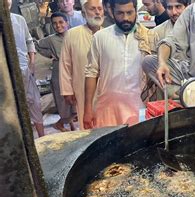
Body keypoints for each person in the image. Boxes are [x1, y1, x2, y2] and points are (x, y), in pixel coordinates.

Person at [83, 0, 150, 128]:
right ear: (112, 12)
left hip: (139, 107)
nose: (125, 18)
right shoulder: (100, 37)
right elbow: (91, 73)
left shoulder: (148, 37)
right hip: (107, 108)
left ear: (136, 11)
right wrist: (87, 109)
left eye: (129, 12)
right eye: (120, 13)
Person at [59, 0, 104, 130]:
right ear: (84, 13)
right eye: (93, 9)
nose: (97, 12)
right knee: (87, 124)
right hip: (82, 89)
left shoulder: (109, 34)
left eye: (100, 9)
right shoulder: (72, 34)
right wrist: (67, 90)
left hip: (106, 90)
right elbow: (65, 63)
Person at [8, 0, 45, 137]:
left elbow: (29, 41)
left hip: (25, 69)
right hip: (6, 74)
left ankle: (42, 137)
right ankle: (19, 138)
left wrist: (32, 63)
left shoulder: (19, 19)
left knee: (34, 101)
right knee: (12, 105)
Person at [35, 12, 76, 132]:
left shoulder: (74, 35)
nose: (58, 25)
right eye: (54, 23)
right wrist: (49, 55)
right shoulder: (51, 39)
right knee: (64, 102)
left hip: (73, 71)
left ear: (67, 23)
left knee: (75, 102)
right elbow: (36, 45)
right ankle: (59, 124)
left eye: (61, 22)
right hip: (59, 72)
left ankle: (71, 125)